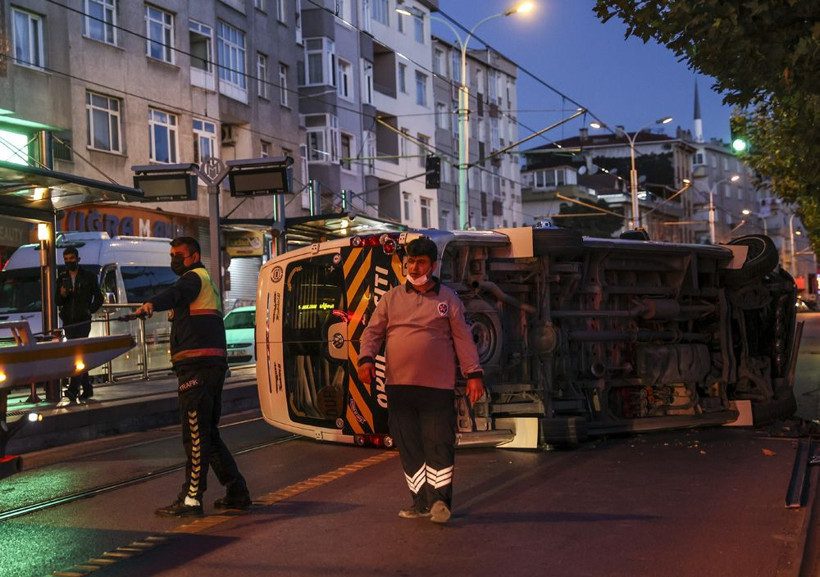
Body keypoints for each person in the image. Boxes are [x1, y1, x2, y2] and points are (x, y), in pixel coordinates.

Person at [357, 236, 484, 524]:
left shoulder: (447, 299)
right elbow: (373, 332)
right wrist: (366, 359)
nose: (414, 267)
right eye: (410, 262)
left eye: (420, 262)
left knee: (438, 442)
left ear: (433, 265)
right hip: (399, 387)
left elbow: (463, 338)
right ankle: (420, 502)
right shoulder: (391, 298)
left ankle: (440, 502)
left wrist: (473, 374)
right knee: (409, 444)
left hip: (437, 388)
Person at [134, 236, 250, 517]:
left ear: (194, 256)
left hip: (198, 367)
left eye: (179, 254)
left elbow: (176, 293)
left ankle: (191, 498)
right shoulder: (202, 281)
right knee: (207, 435)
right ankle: (236, 491)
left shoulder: (193, 278)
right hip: (207, 366)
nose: (174, 259)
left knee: (195, 435)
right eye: (172, 254)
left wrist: (151, 303)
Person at [56, 246, 103, 402]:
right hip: (68, 320)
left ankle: (73, 389)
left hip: (83, 319)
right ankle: (87, 388)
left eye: (71, 258)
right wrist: (62, 294)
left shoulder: (89, 277)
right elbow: (57, 300)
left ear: (78, 259)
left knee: (78, 353)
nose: (69, 262)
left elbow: (99, 297)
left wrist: (90, 310)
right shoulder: (62, 278)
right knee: (76, 354)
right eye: (66, 259)